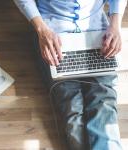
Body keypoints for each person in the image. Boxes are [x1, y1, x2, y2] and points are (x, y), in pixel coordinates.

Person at [14, 0, 127, 150]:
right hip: (53, 33)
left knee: (104, 105)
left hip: (97, 32)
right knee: (72, 109)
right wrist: (41, 30)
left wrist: (115, 25)